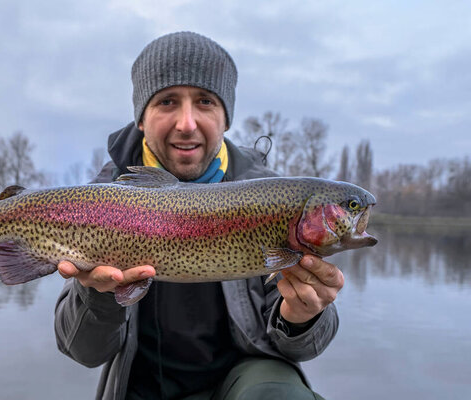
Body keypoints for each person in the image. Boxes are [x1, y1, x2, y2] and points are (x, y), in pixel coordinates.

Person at [54, 31, 343, 400]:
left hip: (244, 382)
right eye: (167, 101)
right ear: (141, 118)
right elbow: (83, 351)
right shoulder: (101, 202)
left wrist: (303, 316)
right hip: (140, 385)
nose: (186, 123)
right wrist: (95, 292)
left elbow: (297, 348)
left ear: (226, 119)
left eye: (205, 101)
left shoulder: (276, 199)